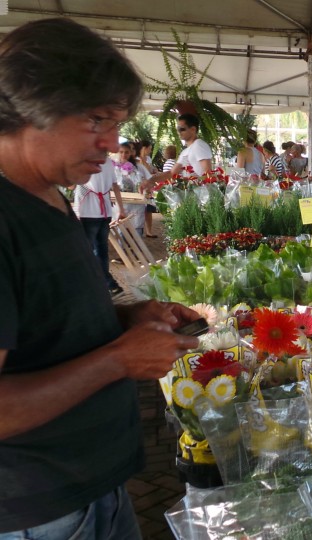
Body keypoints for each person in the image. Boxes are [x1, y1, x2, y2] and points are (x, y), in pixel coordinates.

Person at [0, 18, 202, 538]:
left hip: (91, 492)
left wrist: (125, 320)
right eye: (96, 119)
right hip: (40, 513)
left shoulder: (45, 192)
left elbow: (38, 325)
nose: (113, 144)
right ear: (30, 106)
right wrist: (117, 360)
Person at [74, 161, 126, 294]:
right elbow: (115, 186)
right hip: (105, 212)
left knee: (88, 251)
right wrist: (121, 209)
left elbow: (71, 185)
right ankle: (107, 285)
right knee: (101, 251)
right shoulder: (108, 162)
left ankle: (105, 284)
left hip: (88, 212)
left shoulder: (85, 160)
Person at [144, 113, 212, 191]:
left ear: (193, 129)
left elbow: (208, 173)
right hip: (192, 195)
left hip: (202, 195)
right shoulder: (185, 152)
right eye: (178, 129)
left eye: (182, 129)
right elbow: (171, 173)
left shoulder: (199, 145)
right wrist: (150, 181)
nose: (179, 132)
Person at [116, 141, 147, 237]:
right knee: (122, 233)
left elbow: (148, 180)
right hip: (121, 203)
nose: (124, 154)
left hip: (136, 204)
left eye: (126, 152)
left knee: (137, 232)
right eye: (121, 152)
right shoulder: (115, 167)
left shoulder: (138, 167)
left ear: (131, 153)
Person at [136, 141, 159, 237]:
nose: (150, 150)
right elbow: (144, 170)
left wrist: (154, 170)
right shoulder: (137, 159)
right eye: (149, 148)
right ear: (143, 148)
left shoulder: (148, 158)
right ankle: (138, 231)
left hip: (149, 186)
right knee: (140, 209)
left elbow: (151, 170)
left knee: (149, 209)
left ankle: (149, 231)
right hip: (141, 186)